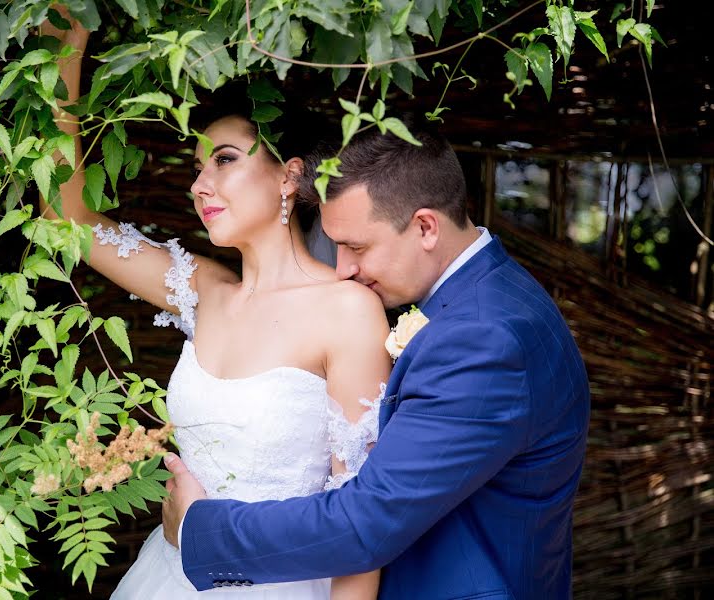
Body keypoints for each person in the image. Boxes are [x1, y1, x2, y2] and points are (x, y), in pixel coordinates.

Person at [38, 10, 389, 600]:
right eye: (199, 167)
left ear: (289, 176)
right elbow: (66, 218)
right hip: (169, 577)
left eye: (224, 160)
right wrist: (63, 53)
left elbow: (361, 523)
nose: (200, 184)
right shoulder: (204, 291)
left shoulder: (347, 310)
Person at [162, 120, 592, 599]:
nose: (343, 268)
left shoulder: (482, 339)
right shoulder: (493, 297)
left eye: (356, 246)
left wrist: (198, 530)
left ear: (425, 226)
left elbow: (366, 523)